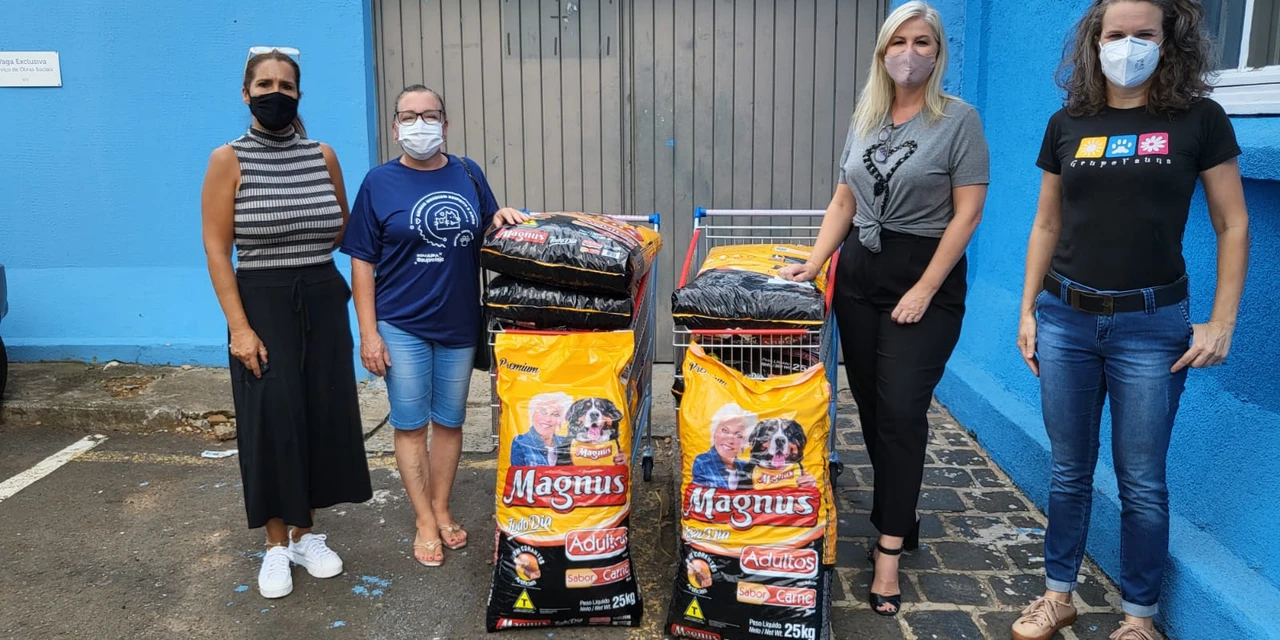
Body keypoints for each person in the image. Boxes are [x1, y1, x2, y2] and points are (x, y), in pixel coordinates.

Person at [1011, 1, 1249, 638]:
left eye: (1144, 33)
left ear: (1169, 40)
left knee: (1141, 480)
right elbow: (1046, 223)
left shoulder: (1200, 119)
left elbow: (1232, 223)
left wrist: (1221, 322)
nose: (1128, 45)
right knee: (1068, 470)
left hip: (1151, 325)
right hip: (1065, 318)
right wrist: (1027, 311)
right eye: (1115, 34)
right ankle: (1057, 596)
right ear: (1095, 42)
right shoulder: (1068, 122)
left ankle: (1138, 618)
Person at [779, 1, 989, 616]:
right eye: (900, 42)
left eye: (923, 42)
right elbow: (844, 200)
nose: (910, 53)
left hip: (924, 276)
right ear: (882, 52)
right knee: (872, 404)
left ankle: (889, 548)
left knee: (901, 408)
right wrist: (815, 263)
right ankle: (903, 513)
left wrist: (925, 287)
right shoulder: (867, 115)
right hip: (859, 276)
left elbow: (968, 214)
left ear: (938, 52)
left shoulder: (959, 120)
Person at [201, 49, 372, 599]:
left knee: (320, 416)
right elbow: (217, 249)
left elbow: (343, 228)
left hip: (321, 296)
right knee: (272, 421)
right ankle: (276, 544)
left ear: (299, 94)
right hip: (262, 301)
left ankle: (305, 534)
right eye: (265, 84)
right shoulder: (228, 159)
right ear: (245, 93)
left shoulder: (323, 155)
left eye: (286, 85)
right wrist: (239, 327)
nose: (276, 93)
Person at [340, 85, 528, 568]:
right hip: (400, 323)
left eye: (429, 115)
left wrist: (502, 217)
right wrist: (369, 334)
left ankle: (442, 508)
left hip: (459, 323)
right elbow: (361, 261)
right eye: (409, 116)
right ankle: (424, 520)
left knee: (449, 421)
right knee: (410, 424)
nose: (419, 124)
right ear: (395, 126)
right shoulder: (378, 182)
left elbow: (488, 227)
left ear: (445, 124)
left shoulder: (468, 172)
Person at [690, 403, 756, 489]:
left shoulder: (746, 468)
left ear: (745, 442)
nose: (730, 440)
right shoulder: (703, 462)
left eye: (738, 435)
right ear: (714, 431)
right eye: (725, 431)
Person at [510, 392, 574, 467]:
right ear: (532, 414)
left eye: (555, 414)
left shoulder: (567, 443)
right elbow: (517, 472)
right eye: (543, 412)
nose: (548, 419)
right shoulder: (521, 442)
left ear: (561, 420)